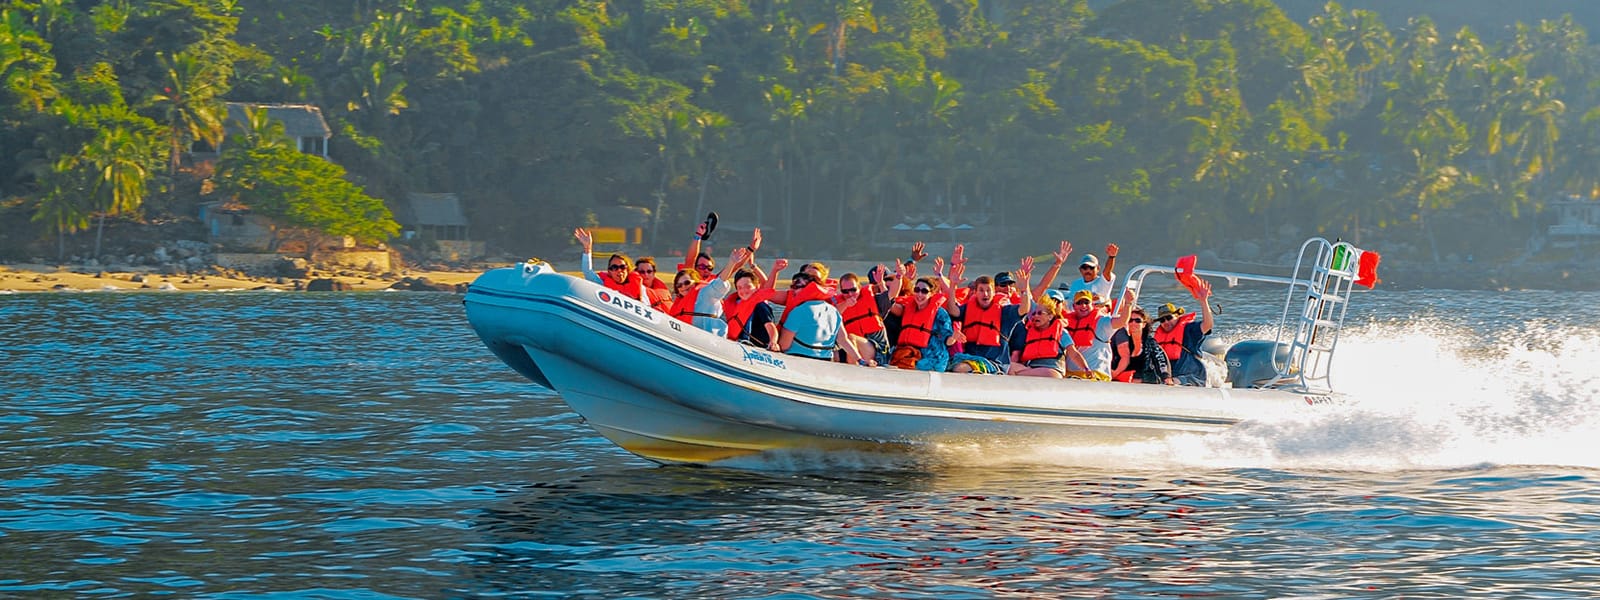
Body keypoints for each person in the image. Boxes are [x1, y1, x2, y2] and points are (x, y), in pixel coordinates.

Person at [943, 257, 1033, 374]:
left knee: (960, 368)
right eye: (981, 290)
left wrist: (1024, 290)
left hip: (995, 362)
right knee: (951, 365)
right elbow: (953, 310)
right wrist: (952, 286)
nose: (985, 294)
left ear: (994, 292)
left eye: (988, 290)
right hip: (971, 358)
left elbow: (1024, 309)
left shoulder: (1005, 312)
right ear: (975, 292)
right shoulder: (968, 309)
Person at [667, 247, 749, 336]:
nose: (683, 287)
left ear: (695, 282)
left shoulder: (705, 293)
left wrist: (732, 263)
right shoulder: (678, 303)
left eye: (687, 283)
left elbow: (720, 282)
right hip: (685, 337)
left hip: (709, 339)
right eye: (679, 285)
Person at [887, 264, 955, 372]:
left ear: (932, 294)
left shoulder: (940, 313)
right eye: (917, 289)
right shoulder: (908, 308)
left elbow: (948, 340)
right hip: (909, 352)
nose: (919, 294)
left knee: (909, 364)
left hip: (933, 356)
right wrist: (899, 276)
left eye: (924, 291)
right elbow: (889, 303)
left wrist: (954, 337)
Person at [1006, 295, 1089, 378]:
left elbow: (1074, 354)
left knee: (1047, 373)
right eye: (1034, 314)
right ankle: (1020, 376)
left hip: (1051, 370)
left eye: (1040, 313)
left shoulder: (1061, 332)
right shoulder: (1029, 332)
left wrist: (1086, 369)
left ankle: (1019, 376)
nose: (1035, 316)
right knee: (1009, 367)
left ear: (1050, 316)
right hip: (1032, 368)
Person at [1152, 279, 1216, 386]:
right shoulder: (1156, 338)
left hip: (1192, 377)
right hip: (1168, 379)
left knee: (1173, 382)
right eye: (1162, 320)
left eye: (1169, 318)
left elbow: (1208, 325)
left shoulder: (1189, 330)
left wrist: (1204, 301)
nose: (1166, 322)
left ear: (1177, 316)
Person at [778, 290, 865, 364]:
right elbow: (843, 340)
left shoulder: (799, 311)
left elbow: (784, 346)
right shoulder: (834, 312)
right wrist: (860, 360)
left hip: (796, 360)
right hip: (825, 361)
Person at [724, 258, 785, 349]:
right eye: (739, 288)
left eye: (747, 286)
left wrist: (773, 342)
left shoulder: (760, 305)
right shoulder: (735, 304)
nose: (743, 290)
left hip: (758, 348)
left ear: (756, 287)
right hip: (739, 345)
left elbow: (770, 326)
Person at [574, 228, 648, 302]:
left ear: (628, 270)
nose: (619, 270)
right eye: (614, 267)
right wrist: (587, 248)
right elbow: (588, 272)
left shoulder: (640, 287)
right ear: (609, 271)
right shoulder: (603, 285)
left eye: (622, 267)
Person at [834, 272, 890, 365]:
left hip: (878, 350)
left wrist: (898, 276)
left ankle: (855, 371)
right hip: (853, 349)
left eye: (853, 290)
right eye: (845, 291)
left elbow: (892, 294)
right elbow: (832, 313)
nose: (850, 294)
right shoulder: (839, 306)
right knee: (832, 354)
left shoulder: (874, 299)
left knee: (851, 338)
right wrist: (846, 304)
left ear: (859, 287)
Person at [1111, 305, 1175, 385]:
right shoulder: (1121, 341)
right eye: (1130, 320)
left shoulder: (1150, 342)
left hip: (1147, 382)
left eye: (1138, 320)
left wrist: (1166, 377)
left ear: (1144, 324)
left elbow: (1161, 359)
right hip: (1123, 381)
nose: (1133, 323)